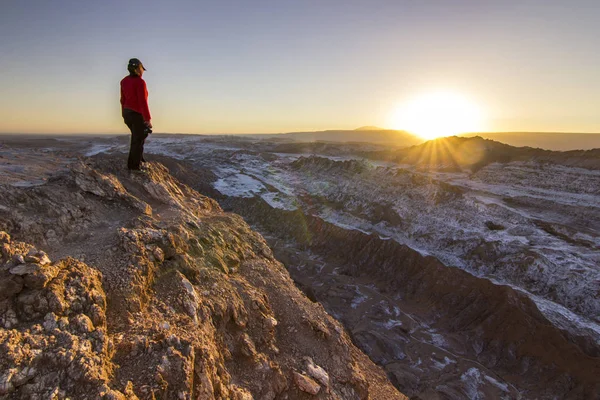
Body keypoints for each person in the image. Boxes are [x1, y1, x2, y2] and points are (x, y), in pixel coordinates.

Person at [120, 58, 152, 171]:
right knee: (138, 140)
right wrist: (147, 119)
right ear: (138, 69)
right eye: (142, 69)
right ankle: (134, 167)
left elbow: (122, 100)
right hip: (137, 113)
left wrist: (123, 113)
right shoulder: (140, 82)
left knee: (139, 137)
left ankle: (139, 159)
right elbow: (142, 101)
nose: (143, 71)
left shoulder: (124, 81)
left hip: (127, 113)